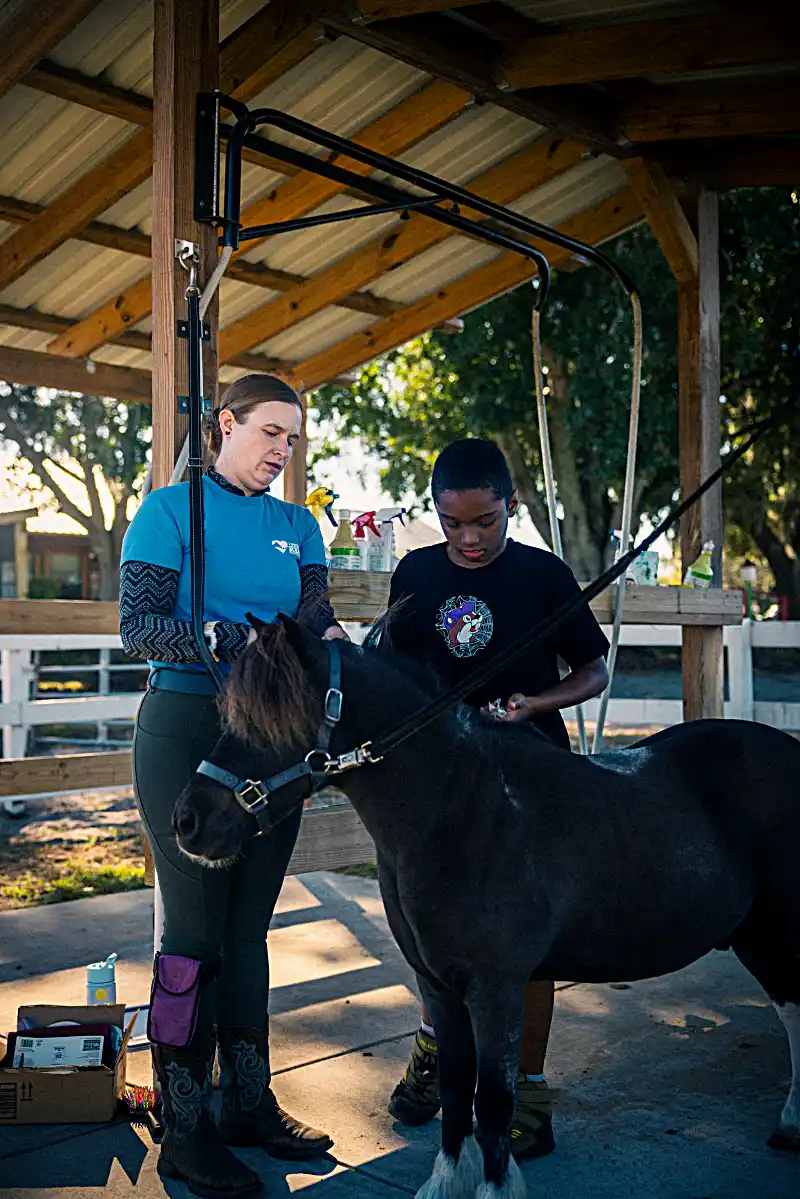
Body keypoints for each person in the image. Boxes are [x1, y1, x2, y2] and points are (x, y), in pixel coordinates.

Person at [121, 375, 347, 1197]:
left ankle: (250, 1100)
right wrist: (208, 632)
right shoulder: (170, 510)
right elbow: (137, 624)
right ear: (226, 425)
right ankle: (186, 1128)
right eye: (269, 433)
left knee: (250, 928)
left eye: (293, 438)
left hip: (271, 740)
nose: (283, 451)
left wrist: (344, 649)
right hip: (185, 728)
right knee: (193, 934)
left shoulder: (300, 525)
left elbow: (316, 620)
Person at [382, 438, 610, 1161]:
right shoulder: (415, 573)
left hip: (532, 781)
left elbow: (594, 669)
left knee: (529, 942)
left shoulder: (543, 574)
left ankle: (530, 1091)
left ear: (511, 504)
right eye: (453, 524)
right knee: (432, 936)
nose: (470, 538)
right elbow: (393, 674)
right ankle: (432, 1051)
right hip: (442, 789)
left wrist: (536, 700)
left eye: (484, 521)